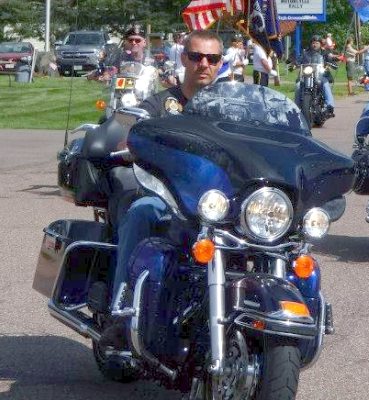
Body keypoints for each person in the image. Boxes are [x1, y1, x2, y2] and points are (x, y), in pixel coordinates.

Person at [100, 29, 225, 348]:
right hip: (168, 198)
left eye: (212, 58)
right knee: (142, 213)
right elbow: (128, 138)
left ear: (220, 63)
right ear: (184, 58)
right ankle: (121, 313)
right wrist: (136, 145)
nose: (204, 64)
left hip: (218, 201)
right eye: (196, 57)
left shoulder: (230, 108)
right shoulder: (160, 105)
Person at [294, 35, 337, 115]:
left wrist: (330, 65)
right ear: (311, 44)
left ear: (320, 44)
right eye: (313, 43)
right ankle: (296, 108)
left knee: (325, 85)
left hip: (321, 76)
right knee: (298, 85)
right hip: (306, 76)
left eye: (317, 43)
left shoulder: (324, 53)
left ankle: (329, 106)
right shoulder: (305, 53)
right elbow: (298, 60)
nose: (315, 45)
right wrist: (294, 64)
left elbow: (331, 61)